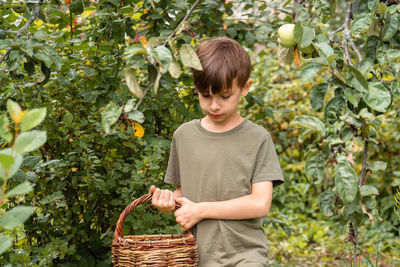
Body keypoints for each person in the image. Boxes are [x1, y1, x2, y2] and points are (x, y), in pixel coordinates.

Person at [150, 37, 284, 266]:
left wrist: (202, 210)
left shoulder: (258, 138)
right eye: (205, 96)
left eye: (224, 96)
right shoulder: (184, 136)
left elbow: (260, 203)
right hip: (197, 255)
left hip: (246, 255)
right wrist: (167, 201)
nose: (214, 105)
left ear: (245, 88)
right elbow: (184, 197)